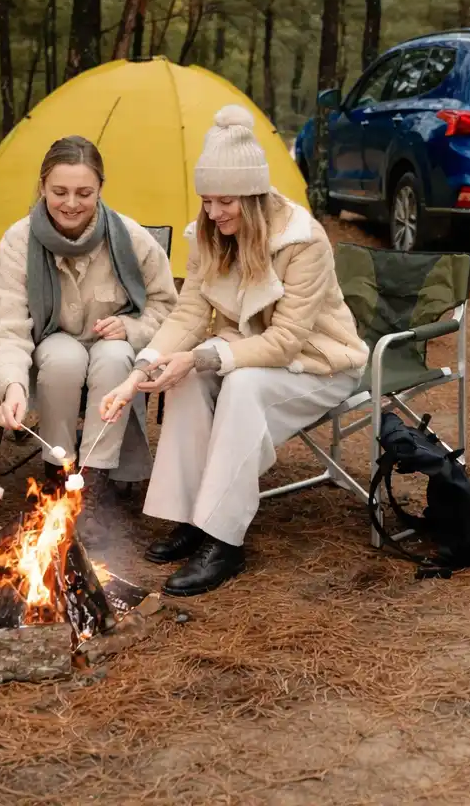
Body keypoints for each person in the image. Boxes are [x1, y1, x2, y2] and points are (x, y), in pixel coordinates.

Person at [100, 104, 368, 596]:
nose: (213, 212)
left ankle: (223, 538)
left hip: (317, 364)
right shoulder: (209, 235)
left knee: (236, 382)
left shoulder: (302, 241)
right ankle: (190, 517)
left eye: (225, 201)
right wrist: (139, 370)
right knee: (188, 377)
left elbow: (287, 339)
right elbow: (188, 314)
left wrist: (203, 355)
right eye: (206, 200)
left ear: (254, 194)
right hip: (244, 353)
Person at [0, 136, 177, 483]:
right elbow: (6, 326)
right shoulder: (19, 241)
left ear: (100, 188)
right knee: (63, 357)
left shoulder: (130, 237)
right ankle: (59, 470)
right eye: (59, 192)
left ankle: (95, 479)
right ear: (42, 186)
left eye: (84, 193)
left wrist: (132, 329)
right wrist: (11, 385)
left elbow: (167, 307)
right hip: (51, 349)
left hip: (114, 352)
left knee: (115, 355)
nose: (71, 204)